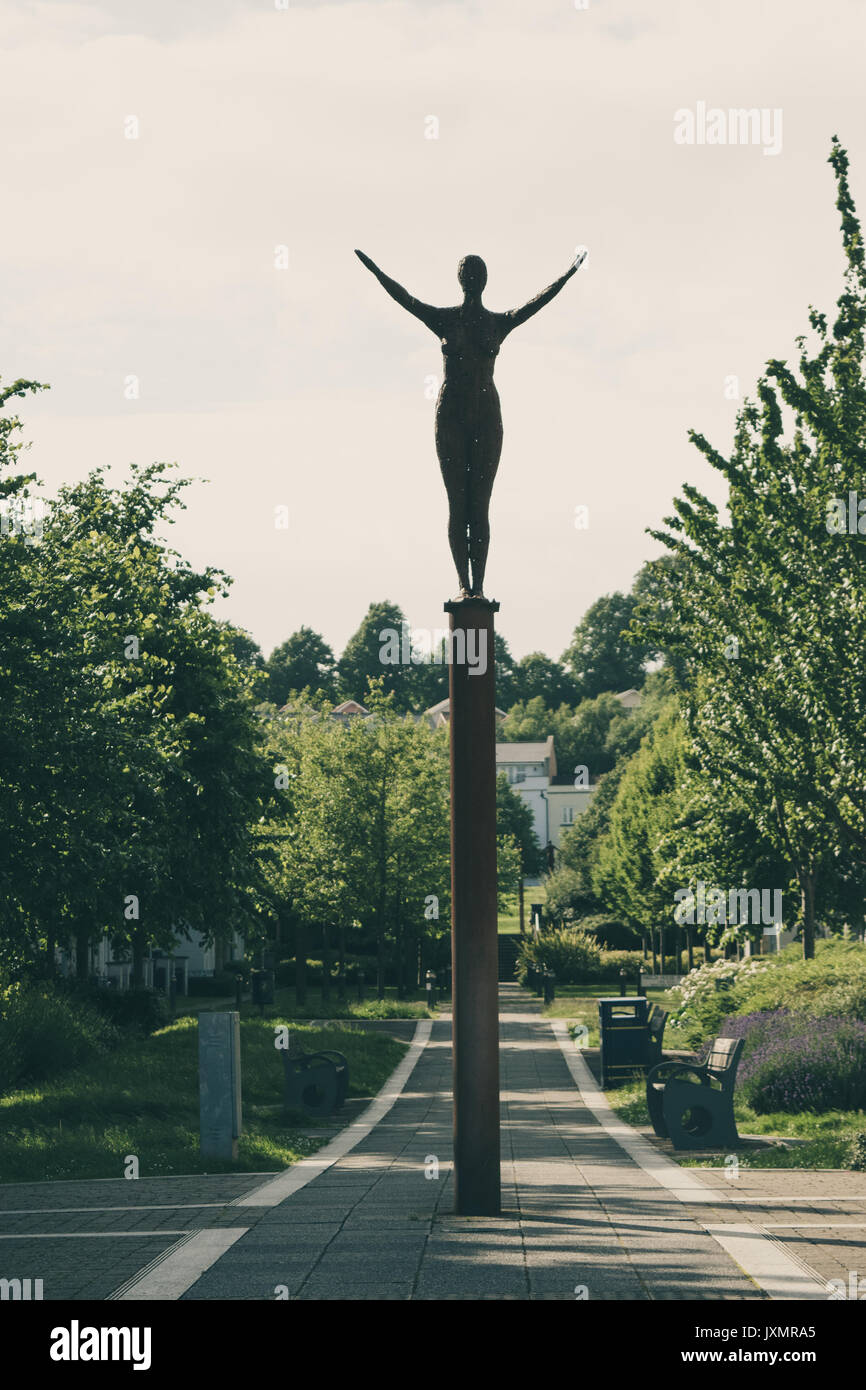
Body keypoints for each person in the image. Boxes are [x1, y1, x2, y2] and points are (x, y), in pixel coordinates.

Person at [355, 247, 586, 596]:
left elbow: (537, 303)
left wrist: (567, 276)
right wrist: (376, 271)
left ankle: (478, 588)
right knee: (457, 503)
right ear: (462, 281)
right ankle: (463, 585)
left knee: (480, 505)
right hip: (450, 417)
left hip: (486, 416)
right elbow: (406, 298)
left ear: (485, 281)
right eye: (469, 275)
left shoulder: (498, 322)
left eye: (478, 275)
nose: (474, 280)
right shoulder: (444, 320)